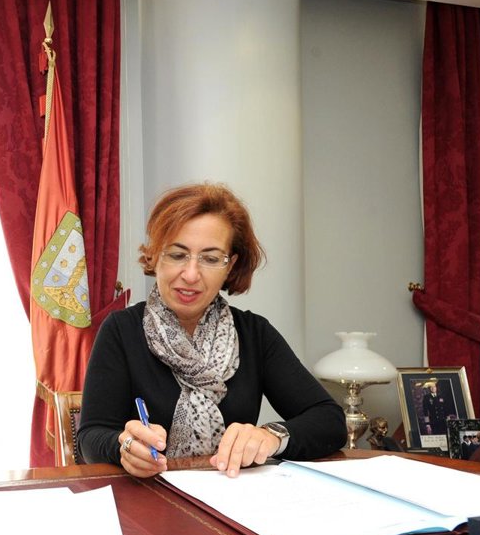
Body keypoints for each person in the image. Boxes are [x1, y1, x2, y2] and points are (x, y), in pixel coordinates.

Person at [78, 183, 345, 477]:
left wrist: (271, 436)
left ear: (230, 266)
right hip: (149, 496)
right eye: (177, 254)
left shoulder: (254, 334)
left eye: (210, 258)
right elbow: (90, 437)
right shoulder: (121, 330)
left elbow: (329, 420)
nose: (191, 274)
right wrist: (124, 446)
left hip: (232, 493)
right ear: (155, 256)